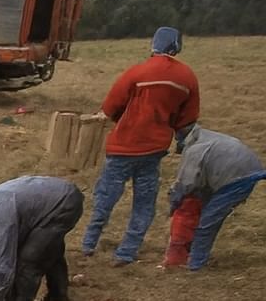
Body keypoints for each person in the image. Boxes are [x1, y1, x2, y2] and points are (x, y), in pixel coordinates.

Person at [81, 26, 200, 265]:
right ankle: (127, 252)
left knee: (106, 197)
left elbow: (111, 107)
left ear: (154, 45)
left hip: (122, 148)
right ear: (176, 46)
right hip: (154, 151)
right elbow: (187, 118)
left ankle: (88, 244)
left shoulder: (136, 73)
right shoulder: (187, 77)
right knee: (144, 203)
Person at [163, 126, 266, 270]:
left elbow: (186, 183)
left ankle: (195, 264)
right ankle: (193, 255)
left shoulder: (194, 149)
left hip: (236, 179)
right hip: (246, 167)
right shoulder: (208, 136)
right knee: (206, 213)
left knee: (207, 223)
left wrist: (174, 202)